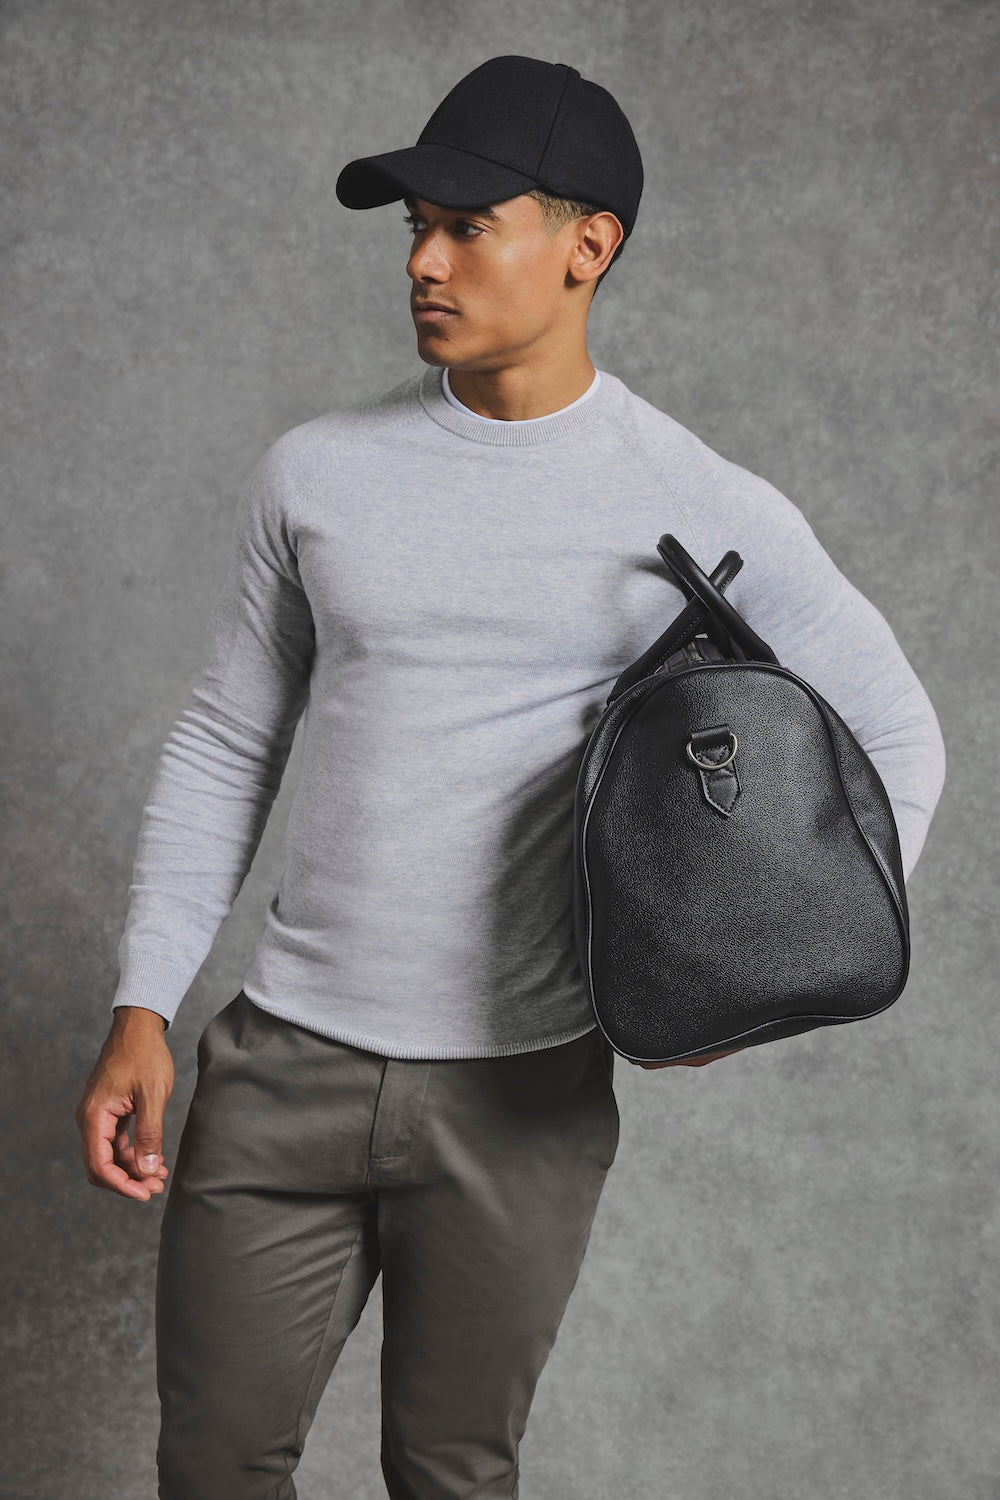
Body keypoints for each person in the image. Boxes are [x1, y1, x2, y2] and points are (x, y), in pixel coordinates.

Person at [75, 53, 946, 1500]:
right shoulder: (316, 474)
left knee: (454, 1476)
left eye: (468, 227)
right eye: (416, 226)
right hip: (283, 1069)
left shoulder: (695, 498)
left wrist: (758, 968)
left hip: (524, 1098)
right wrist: (143, 1003)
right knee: (211, 1469)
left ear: (587, 246)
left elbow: (899, 731)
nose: (424, 261)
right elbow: (228, 741)